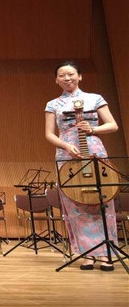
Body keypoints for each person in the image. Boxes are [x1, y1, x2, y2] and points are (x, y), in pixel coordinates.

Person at [45, 61, 118, 271]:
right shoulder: (53, 104)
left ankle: (106, 254)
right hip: (67, 152)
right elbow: (49, 134)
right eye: (62, 75)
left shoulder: (95, 98)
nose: (67, 78)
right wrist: (66, 145)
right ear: (56, 80)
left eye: (71, 74)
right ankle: (87, 254)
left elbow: (112, 125)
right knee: (75, 203)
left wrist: (93, 130)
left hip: (93, 149)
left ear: (80, 76)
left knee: (102, 200)